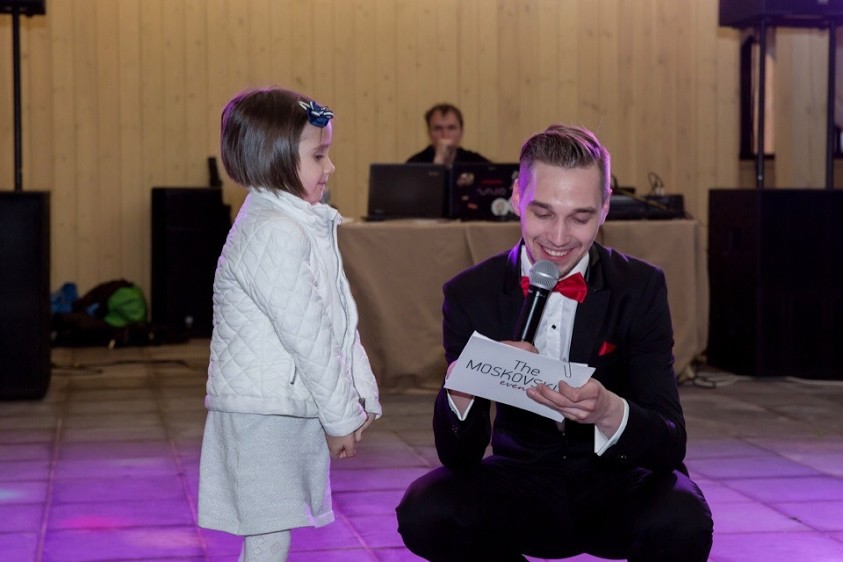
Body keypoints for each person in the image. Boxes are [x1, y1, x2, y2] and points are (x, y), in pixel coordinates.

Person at [395, 124, 713, 562]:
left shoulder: (639, 287)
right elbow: (460, 459)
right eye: (543, 213)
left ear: (605, 208)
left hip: (616, 482)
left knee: (683, 516)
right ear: (517, 197)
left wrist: (609, 411)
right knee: (425, 510)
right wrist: (462, 386)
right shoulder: (471, 293)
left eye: (580, 218)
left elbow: (669, 444)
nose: (559, 238)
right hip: (521, 481)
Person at [198, 87, 382, 562]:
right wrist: (341, 417)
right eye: (319, 155)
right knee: (269, 537)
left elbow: (337, 322)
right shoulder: (273, 232)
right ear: (275, 159)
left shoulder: (296, 223)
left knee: (273, 535)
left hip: (283, 405)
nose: (330, 166)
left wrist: (360, 394)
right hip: (262, 414)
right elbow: (310, 339)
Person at [406, 103, 490, 166]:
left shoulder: (477, 163)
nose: (445, 135)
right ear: (429, 133)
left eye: (451, 128)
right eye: (438, 129)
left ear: (461, 132)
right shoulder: (415, 165)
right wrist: (438, 162)